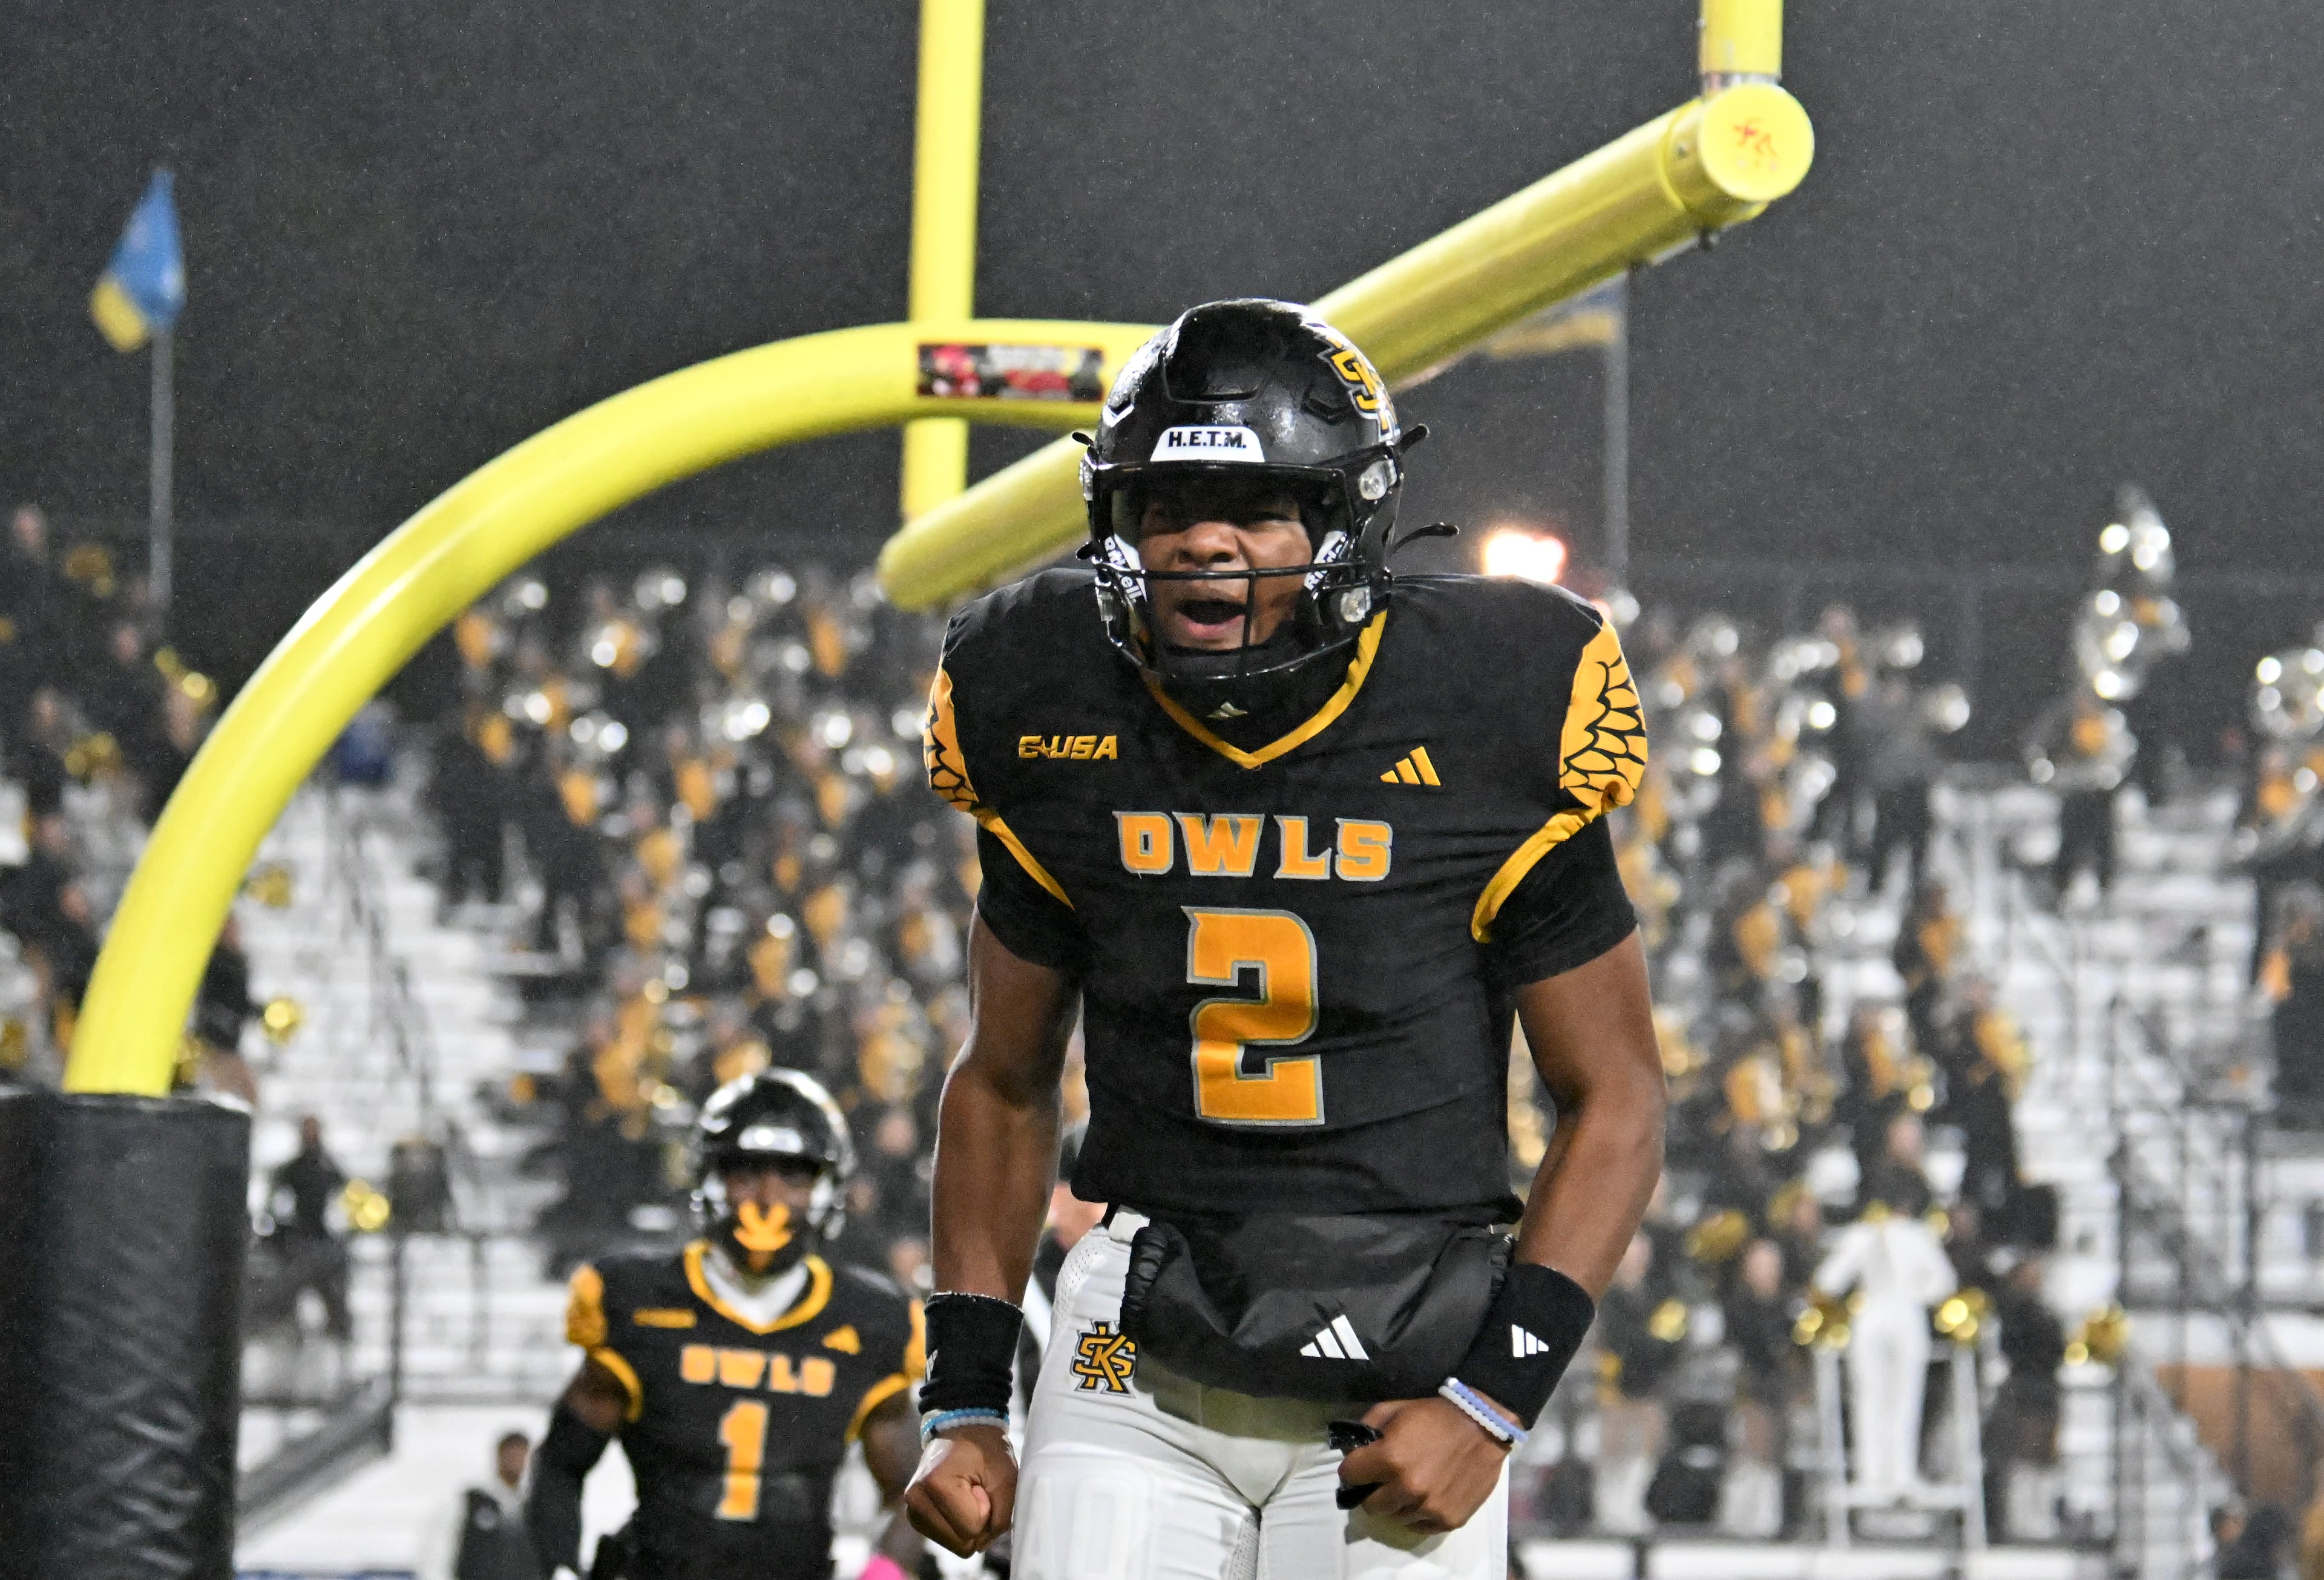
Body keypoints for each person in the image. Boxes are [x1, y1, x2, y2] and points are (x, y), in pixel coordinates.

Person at [899, 300, 1667, 1578]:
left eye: (1255, 510)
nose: (1203, 542)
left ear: (1340, 524)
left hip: (1409, 1343)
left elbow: (1621, 1097)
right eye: (1166, 503)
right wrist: (969, 1400)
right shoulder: (1046, 697)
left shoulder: (1486, 707)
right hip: (1129, 1340)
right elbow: (1002, 1077)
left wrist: (1491, 1403)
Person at [525, 1068, 927, 1580]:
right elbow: (561, 1462)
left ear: (828, 1188)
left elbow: (914, 1489)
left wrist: (884, 1573)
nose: (768, 1197)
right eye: (746, 1172)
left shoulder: (868, 1318)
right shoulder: (640, 1300)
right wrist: (561, 1569)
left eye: (794, 1176)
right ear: (711, 1179)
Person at [269, 1114, 352, 1340]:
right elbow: (277, 1200)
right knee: (289, 1294)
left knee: (333, 1299)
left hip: (322, 1240)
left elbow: (345, 1193)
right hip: (300, 1241)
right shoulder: (295, 1169)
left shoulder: (326, 1168)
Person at [417, 1431, 534, 1580]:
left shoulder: (530, 1506)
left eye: (521, 1455)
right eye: (511, 1454)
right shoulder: (470, 1500)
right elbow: (438, 1551)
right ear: (499, 1455)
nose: (516, 1461)